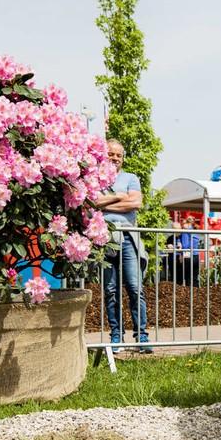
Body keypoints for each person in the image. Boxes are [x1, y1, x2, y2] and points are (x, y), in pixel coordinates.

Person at [91, 139, 151, 353]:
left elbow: (135, 203)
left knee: (135, 287)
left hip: (127, 238)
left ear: (123, 158)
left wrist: (105, 202)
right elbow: (92, 202)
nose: (115, 158)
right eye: (111, 154)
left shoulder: (130, 178)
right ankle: (116, 335)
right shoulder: (95, 178)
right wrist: (117, 196)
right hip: (105, 238)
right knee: (110, 289)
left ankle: (142, 336)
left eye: (118, 155)